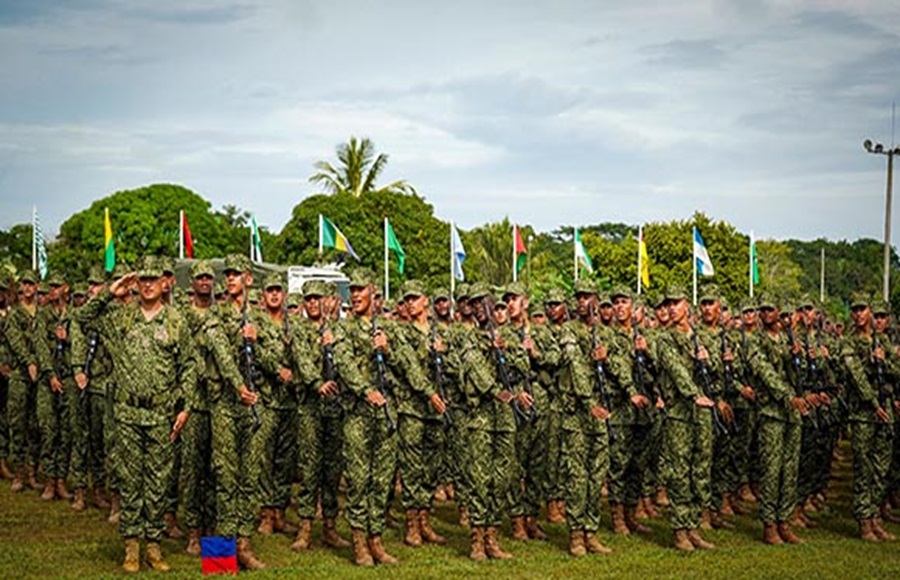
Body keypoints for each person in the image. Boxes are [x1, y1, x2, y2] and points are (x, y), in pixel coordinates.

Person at [78, 257, 196, 572]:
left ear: (164, 283)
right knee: (130, 481)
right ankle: (131, 546)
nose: (147, 284)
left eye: (153, 279)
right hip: (127, 414)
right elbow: (81, 318)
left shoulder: (174, 319)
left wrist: (185, 407)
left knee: (158, 482)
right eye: (141, 279)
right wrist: (110, 291)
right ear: (135, 282)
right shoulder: (121, 317)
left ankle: (153, 546)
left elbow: (189, 366)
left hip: (161, 415)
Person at [332, 268, 431, 566]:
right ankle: (360, 542)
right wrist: (364, 390)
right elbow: (343, 363)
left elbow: (407, 364)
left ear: (374, 293)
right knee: (360, 479)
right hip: (358, 414)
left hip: (387, 414)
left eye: (362, 290)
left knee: (382, 480)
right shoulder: (343, 329)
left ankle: (377, 540)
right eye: (353, 290)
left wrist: (387, 350)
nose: (357, 295)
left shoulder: (388, 330)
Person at [655, 286, 716, 551]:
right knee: (678, 470)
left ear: (686, 306)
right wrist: (693, 394)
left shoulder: (700, 337)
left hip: (701, 411)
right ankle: (680, 529)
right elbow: (675, 368)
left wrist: (708, 360)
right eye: (667, 304)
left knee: (700, 467)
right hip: (680, 412)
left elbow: (716, 373)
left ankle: (693, 526)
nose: (670, 308)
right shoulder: (665, 338)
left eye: (675, 303)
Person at [557, 278, 615, 556]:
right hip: (577, 415)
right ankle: (576, 534)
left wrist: (607, 359)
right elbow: (577, 367)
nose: (582, 301)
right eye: (578, 297)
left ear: (596, 299)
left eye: (587, 296)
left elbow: (619, 368)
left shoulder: (605, 333)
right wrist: (589, 401)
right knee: (577, 476)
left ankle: (591, 531)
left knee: (597, 474)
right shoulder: (568, 330)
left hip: (601, 414)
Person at [841, 292, 896, 541]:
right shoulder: (849, 342)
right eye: (855, 310)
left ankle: (875, 516)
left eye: (863, 309)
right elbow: (857, 377)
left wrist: (886, 361)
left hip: (885, 411)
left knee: (880, 467)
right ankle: (864, 520)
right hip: (863, 413)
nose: (859, 314)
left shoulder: (881, 341)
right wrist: (874, 404)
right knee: (863, 467)